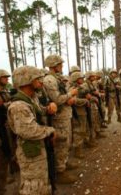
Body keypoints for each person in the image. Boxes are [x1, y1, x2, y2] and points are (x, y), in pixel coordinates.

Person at [7, 66, 56, 195]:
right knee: (33, 186)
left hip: (37, 146)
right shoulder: (19, 105)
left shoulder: (31, 98)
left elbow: (38, 112)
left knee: (41, 181)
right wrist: (50, 130)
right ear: (27, 80)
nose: (41, 81)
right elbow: (29, 131)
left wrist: (48, 109)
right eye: (37, 78)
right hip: (30, 151)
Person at [43, 54, 78, 184]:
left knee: (66, 142)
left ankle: (64, 162)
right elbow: (57, 99)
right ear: (54, 65)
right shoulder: (49, 80)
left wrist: (69, 98)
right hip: (59, 118)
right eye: (60, 64)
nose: (62, 66)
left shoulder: (56, 78)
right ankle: (59, 170)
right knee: (61, 143)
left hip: (65, 115)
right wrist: (71, 94)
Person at [69, 72, 89, 158]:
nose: (82, 79)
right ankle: (77, 152)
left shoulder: (80, 88)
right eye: (80, 78)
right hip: (77, 112)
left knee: (82, 130)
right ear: (76, 79)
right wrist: (85, 101)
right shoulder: (73, 89)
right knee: (78, 131)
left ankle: (80, 149)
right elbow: (74, 100)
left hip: (82, 111)